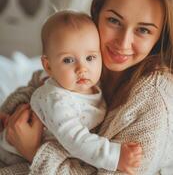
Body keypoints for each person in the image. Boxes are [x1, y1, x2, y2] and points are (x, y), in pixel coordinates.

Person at [0, 0, 173, 174]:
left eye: (142, 30)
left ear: (160, 37)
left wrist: (33, 151)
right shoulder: (92, 55)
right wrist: (9, 113)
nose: (122, 44)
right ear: (96, 13)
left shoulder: (155, 104)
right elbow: (41, 84)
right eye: (114, 21)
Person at [0, 11, 142, 173]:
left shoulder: (95, 85)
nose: (82, 68)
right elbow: (77, 140)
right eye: (68, 60)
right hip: (15, 156)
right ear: (48, 66)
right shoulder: (56, 99)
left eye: (90, 58)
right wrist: (116, 157)